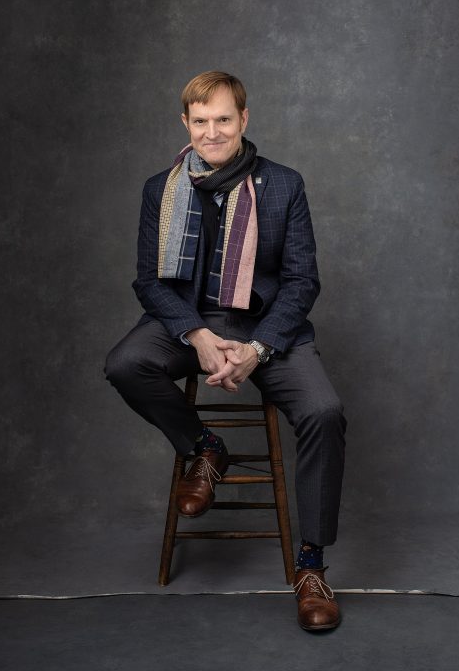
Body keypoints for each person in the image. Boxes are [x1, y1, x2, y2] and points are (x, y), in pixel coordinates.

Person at [105, 71, 347, 631]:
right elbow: (149, 282)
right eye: (200, 121)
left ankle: (311, 566)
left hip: (266, 327)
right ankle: (206, 447)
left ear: (244, 120)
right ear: (185, 124)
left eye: (223, 120)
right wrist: (195, 333)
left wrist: (259, 347)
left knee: (323, 411)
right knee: (125, 363)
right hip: (189, 325)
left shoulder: (284, 184)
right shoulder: (157, 189)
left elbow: (302, 281)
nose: (211, 133)